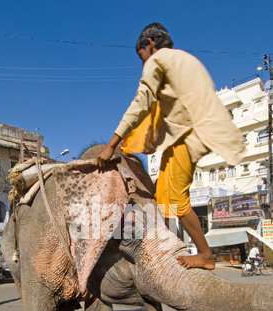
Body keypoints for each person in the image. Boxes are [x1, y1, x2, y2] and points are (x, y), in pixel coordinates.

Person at [95, 23, 246, 269]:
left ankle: (206, 255)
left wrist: (112, 144)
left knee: (176, 198)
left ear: (150, 44)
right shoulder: (181, 61)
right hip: (185, 136)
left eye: (141, 56)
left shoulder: (160, 61)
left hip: (190, 135)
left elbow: (140, 104)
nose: (143, 63)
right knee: (163, 196)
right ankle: (169, 246)